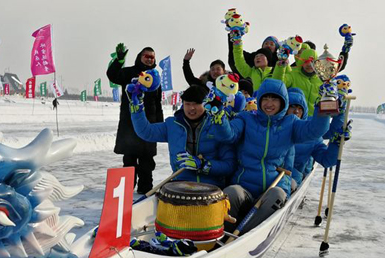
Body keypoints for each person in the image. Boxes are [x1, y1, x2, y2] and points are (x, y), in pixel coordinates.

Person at [213, 78, 331, 235]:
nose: (269, 103)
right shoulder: (246, 118)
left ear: (283, 102)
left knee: (278, 195)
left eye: (274, 99)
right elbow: (229, 135)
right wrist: (219, 117)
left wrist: (324, 105)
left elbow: (314, 130)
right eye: (265, 98)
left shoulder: (291, 123)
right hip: (244, 186)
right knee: (232, 193)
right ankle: (221, 234)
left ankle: (244, 235)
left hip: (272, 187)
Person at [129, 85, 237, 188]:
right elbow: (146, 132)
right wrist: (136, 108)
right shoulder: (172, 125)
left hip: (212, 186)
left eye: (196, 104)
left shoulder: (218, 126)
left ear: (206, 104)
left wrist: (203, 165)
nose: (191, 108)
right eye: (187, 104)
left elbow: (229, 165)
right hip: (179, 183)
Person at [107, 43, 164, 194]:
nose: (149, 59)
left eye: (152, 57)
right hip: (129, 123)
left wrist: (159, 125)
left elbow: (157, 104)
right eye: (146, 56)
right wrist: (119, 61)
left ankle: (145, 189)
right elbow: (112, 75)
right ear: (140, 57)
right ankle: (125, 190)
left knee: (147, 160)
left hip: (149, 123)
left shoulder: (155, 78)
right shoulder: (128, 72)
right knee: (129, 159)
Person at [272, 47, 322, 116]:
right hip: (294, 118)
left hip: (314, 121)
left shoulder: (322, 79)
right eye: (306, 61)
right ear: (301, 62)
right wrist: (281, 67)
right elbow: (278, 84)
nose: (309, 64)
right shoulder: (293, 74)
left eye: (312, 62)